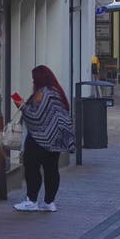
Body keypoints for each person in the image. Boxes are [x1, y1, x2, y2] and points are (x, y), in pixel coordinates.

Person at [13, 65, 75, 213]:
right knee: (51, 169)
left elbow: (36, 116)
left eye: (34, 78)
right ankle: (49, 202)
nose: (32, 81)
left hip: (40, 138)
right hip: (56, 138)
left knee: (32, 168)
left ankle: (32, 200)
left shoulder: (42, 93)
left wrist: (21, 105)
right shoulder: (56, 92)